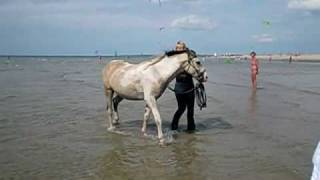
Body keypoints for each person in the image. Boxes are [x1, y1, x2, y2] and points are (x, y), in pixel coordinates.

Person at [171, 41, 196, 131]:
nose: (178, 49)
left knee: (190, 110)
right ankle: (173, 127)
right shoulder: (174, 60)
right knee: (181, 108)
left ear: (184, 49)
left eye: (180, 48)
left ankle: (191, 129)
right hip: (179, 87)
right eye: (177, 48)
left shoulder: (190, 57)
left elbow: (196, 67)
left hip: (190, 86)